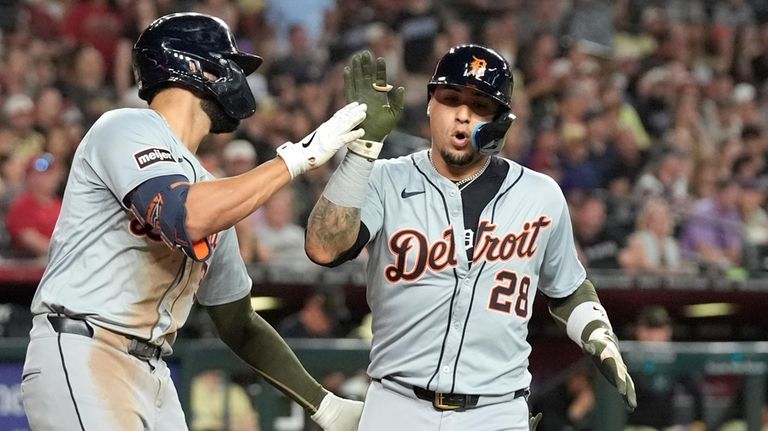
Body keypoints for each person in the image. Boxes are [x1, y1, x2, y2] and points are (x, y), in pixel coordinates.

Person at [20, 13, 368, 431]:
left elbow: (239, 324)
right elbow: (184, 215)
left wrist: (324, 405)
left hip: (154, 370)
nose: (239, 78)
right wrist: (299, 157)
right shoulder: (126, 125)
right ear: (193, 66)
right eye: (230, 65)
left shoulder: (212, 189)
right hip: (86, 348)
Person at [304, 45, 636, 430]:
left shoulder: (540, 194)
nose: (462, 115)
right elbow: (323, 247)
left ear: (500, 120)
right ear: (429, 104)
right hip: (396, 403)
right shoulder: (383, 179)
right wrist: (362, 153)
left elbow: (567, 289)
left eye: (480, 105)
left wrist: (598, 333)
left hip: (496, 410)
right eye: (450, 99)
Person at [4, 153, 63, 259]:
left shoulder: (61, 205)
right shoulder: (21, 207)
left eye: (53, 173)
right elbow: (32, 241)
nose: (51, 178)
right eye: (45, 174)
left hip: (61, 261)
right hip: (32, 268)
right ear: (30, 177)